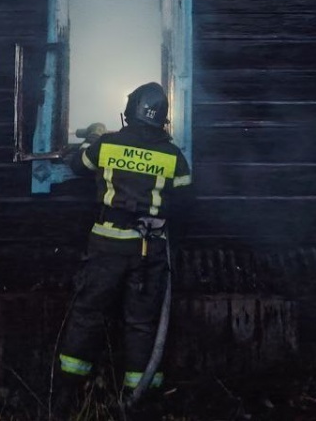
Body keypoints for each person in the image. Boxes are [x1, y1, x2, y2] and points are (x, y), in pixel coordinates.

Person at [51, 81, 191, 418]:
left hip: (106, 244)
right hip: (149, 250)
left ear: (130, 111)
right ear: (162, 118)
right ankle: (139, 402)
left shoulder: (108, 143)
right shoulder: (173, 155)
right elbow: (185, 196)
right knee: (142, 323)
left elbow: (76, 166)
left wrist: (94, 138)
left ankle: (66, 399)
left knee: (87, 315)